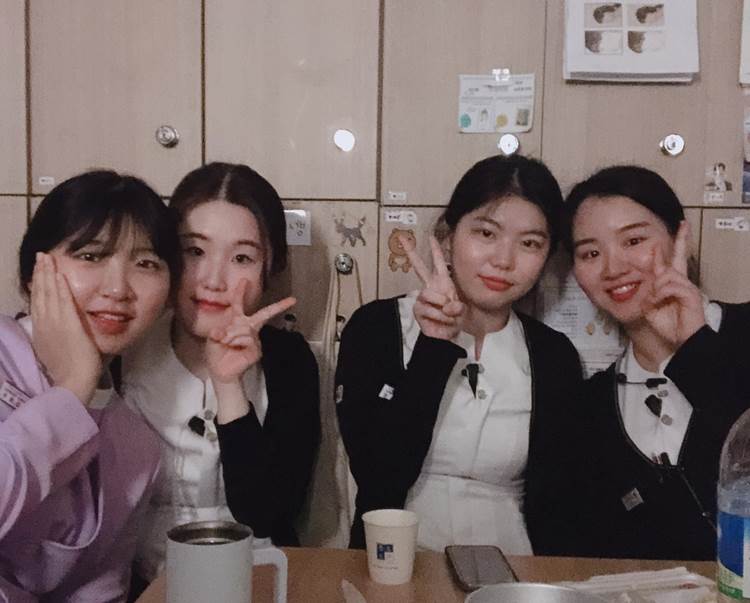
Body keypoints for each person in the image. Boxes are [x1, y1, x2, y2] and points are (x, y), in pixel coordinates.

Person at [336, 154, 583, 554]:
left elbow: (560, 504)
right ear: (448, 237)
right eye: (486, 233)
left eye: (530, 243)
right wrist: (433, 347)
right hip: (394, 565)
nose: (503, 260)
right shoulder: (376, 327)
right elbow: (378, 475)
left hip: (514, 569)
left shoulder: (553, 356)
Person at [123, 162, 320, 584]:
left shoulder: (289, 360)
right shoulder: (126, 347)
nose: (213, 280)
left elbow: (269, 514)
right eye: (194, 251)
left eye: (242, 258)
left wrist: (229, 388)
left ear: (269, 270)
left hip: (257, 580)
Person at [0, 170, 179, 602]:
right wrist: (72, 389)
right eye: (91, 256)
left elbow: (99, 591)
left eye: (146, 264)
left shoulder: (135, 447)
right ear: (33, 271)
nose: (118, 289)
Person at [561, 165, 750, 560]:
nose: (614, 268)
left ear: (680, 237)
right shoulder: (591, 406)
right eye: (591, 253)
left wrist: (695, 346)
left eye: (634, 240)